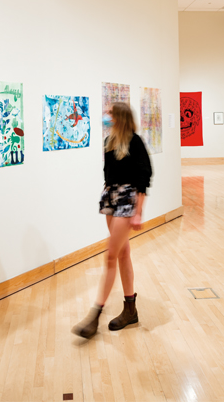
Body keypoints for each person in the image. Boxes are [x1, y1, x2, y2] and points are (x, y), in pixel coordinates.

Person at [72, 102, 152, 339]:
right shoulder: (109, 142)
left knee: (110, 256)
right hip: (111, 197)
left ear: (119, 117)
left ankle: (94, 315)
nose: (105, 116)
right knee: (122, 254)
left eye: (109, 113)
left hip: (127, 199)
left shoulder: (135, 142)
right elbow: (110, 175)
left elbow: (143, 178)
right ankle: (130, 310)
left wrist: (138, 211)